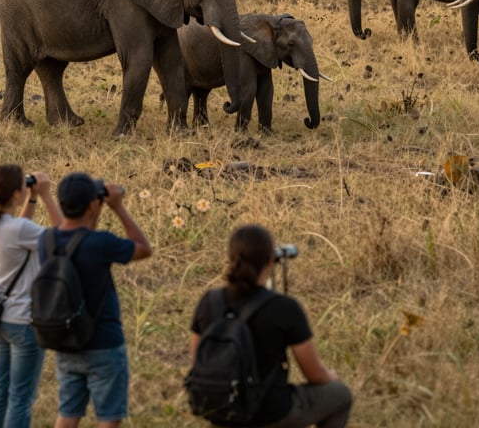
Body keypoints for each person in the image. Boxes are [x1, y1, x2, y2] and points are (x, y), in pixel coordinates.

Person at [189, 224, 352, 428]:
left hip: (223, 411)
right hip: (271, 413)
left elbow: (198, 363)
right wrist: (332, 378)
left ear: (230, 258)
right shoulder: (284, 307)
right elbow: (314, 374)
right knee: (341, 395)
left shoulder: (209, 302)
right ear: (270, 260)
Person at [42, 172, 152, 428]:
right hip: (103, 341)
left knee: (68, 413)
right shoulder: (100, 243)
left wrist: (94, 208)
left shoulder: (45, 241)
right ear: (93, 205)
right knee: (108, 416)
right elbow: (143, 248)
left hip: (65, 339)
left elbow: (71, 234)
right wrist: (118, 207)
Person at [0, 163, 62, 428]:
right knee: (21, 398)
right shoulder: (18, 231)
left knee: (0, 389)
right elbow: (62, 237)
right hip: (24, 323)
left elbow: (19, 227)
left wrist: (33, 198)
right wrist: (47, 195)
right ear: (16, 194)